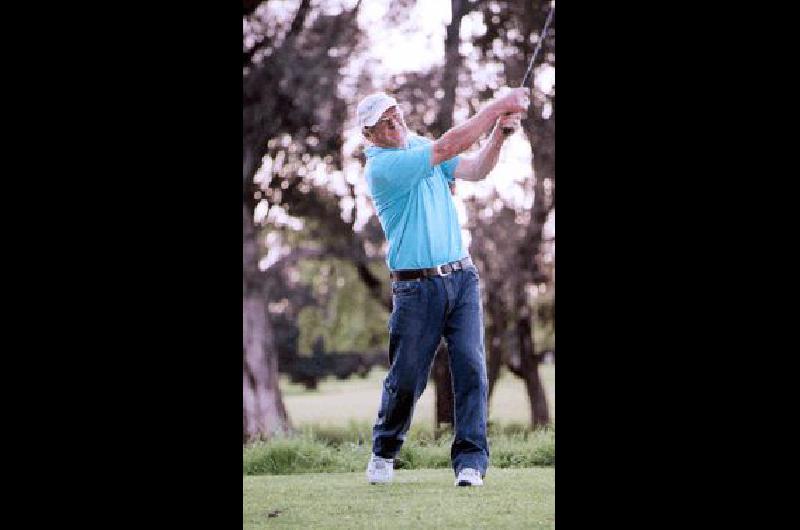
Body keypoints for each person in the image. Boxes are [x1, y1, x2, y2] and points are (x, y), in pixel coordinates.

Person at [358, 88, 530, 487]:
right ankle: (384, 450)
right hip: (416, 290)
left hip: (461, 277)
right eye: (382, 122)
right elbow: (450, 144)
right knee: (407, 378)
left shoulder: (419, 144)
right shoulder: (383, 168)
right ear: (370, 136)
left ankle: (470, 462)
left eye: (395, 113)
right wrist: (499, 105)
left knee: (471, 366)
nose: (393, 122)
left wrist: (499, 136)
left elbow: (473, 169)